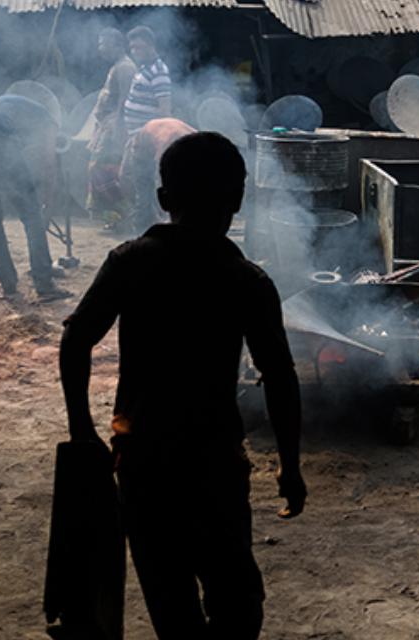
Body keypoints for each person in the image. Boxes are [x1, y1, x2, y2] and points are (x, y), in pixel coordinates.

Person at [59, 132, 306, 640]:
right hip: (213, 463)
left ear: (164, 199)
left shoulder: (130, 262)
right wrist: (290, 464)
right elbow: (280, 378)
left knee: (171, 603)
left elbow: (75, 340)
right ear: (237, 201)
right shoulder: (246, 280)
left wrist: (83, 429)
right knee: (237, 603)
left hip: (143, 462)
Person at [0, 83, 70, 300]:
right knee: (31, 216)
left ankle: (8, 284)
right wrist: (46, 205)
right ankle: (44, 283)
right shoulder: (47, 119)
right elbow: (48, 164)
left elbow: (26, 156)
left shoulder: (9, 105)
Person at [86, 28, 139, 221]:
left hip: (114, 128)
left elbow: (124, 103)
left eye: (104, 44)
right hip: (107, 127)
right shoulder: (117, 66)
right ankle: (116, 218)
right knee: (100, 170)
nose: (100, 49)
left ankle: (128, 214)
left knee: (104, 170)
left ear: (117, 45)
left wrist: (118, 132)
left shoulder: (125, 67)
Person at [118, 117, 195, 235]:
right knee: (145, 195)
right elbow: (161, 179)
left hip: (160, 133)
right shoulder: (168, 147)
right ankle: (140, 232)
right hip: (141, 151)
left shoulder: (196, 140)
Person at [122, 26, 172, 138]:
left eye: (138, 47)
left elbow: (164, 110)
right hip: (136, 134)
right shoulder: (144, 67)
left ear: (150, 46)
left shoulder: (158, 71)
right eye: (132, 48)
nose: (134, 52)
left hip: (147, 137)